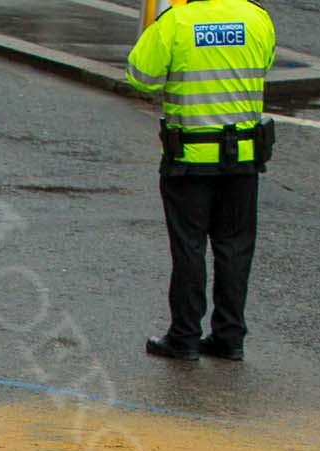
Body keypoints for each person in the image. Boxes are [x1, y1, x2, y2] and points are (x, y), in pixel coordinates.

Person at [126, 0, 276, 362]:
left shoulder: (176, 22)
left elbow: (139, 75)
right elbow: (266, 63)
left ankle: (184, 337)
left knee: (189, 247)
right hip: (242, 159)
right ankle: (229, 337)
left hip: (190, 161)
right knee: (235, 247)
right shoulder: (257, 18)